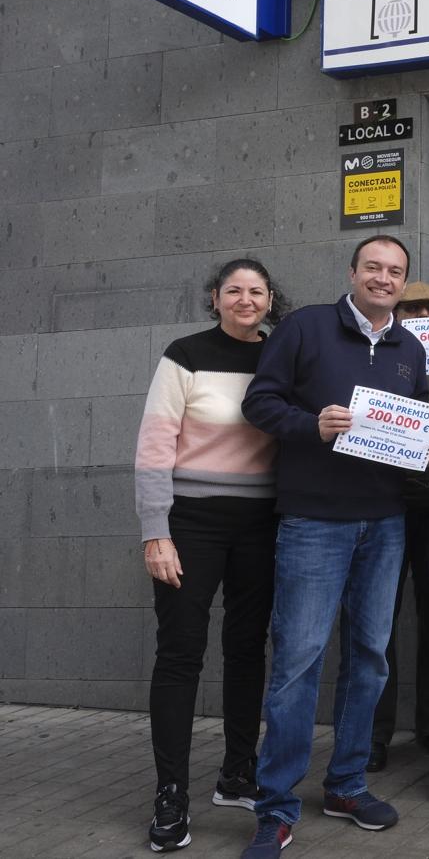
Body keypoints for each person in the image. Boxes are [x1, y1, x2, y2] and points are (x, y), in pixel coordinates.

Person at [238, 235, 429, 859]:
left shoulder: (411, 347)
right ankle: (275, 808)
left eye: (395, 271)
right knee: (297, 661)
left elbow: (407, 431)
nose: (383, 278)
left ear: (404, 282)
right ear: (352, 272)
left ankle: (347, 784)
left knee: (370, 658)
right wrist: (310, 425)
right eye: (373, 267)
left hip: (384, 521)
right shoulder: (304, 328)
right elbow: (259, 402)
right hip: (314, 522)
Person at [137, 260, 288, 853]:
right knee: (180, 654)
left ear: (270, 299)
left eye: (256, 291)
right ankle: (170, 793)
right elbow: (153, 445)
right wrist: (156, 532)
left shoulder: (282, 355)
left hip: (262, 525)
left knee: (248, 650)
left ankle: (236, 773)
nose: (245, 299)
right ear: (215, 298)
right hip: (189, 524)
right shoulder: (184, 354)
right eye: (234, 291)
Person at [370, 280, 429, 771]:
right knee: (376, 621)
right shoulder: (379, 356)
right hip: (385, 500)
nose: (422, 314)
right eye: (412, 307)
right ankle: (374, 734)